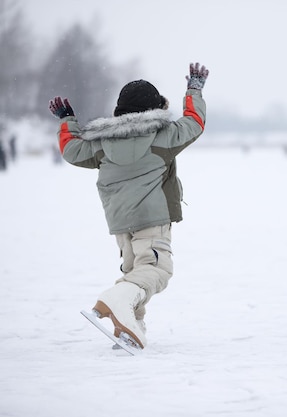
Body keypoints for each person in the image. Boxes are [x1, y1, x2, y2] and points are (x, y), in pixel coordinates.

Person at [49, 62, 209, 349]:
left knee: (135, 274)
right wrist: (193, 90)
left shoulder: (101, 143)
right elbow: (195, 123)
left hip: (120, 222)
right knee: (158, 271)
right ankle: (117, 299)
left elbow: (71, 150)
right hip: (152, 217)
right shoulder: (162, 137)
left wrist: (67, 120)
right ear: (156, 109)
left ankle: (130, 329)